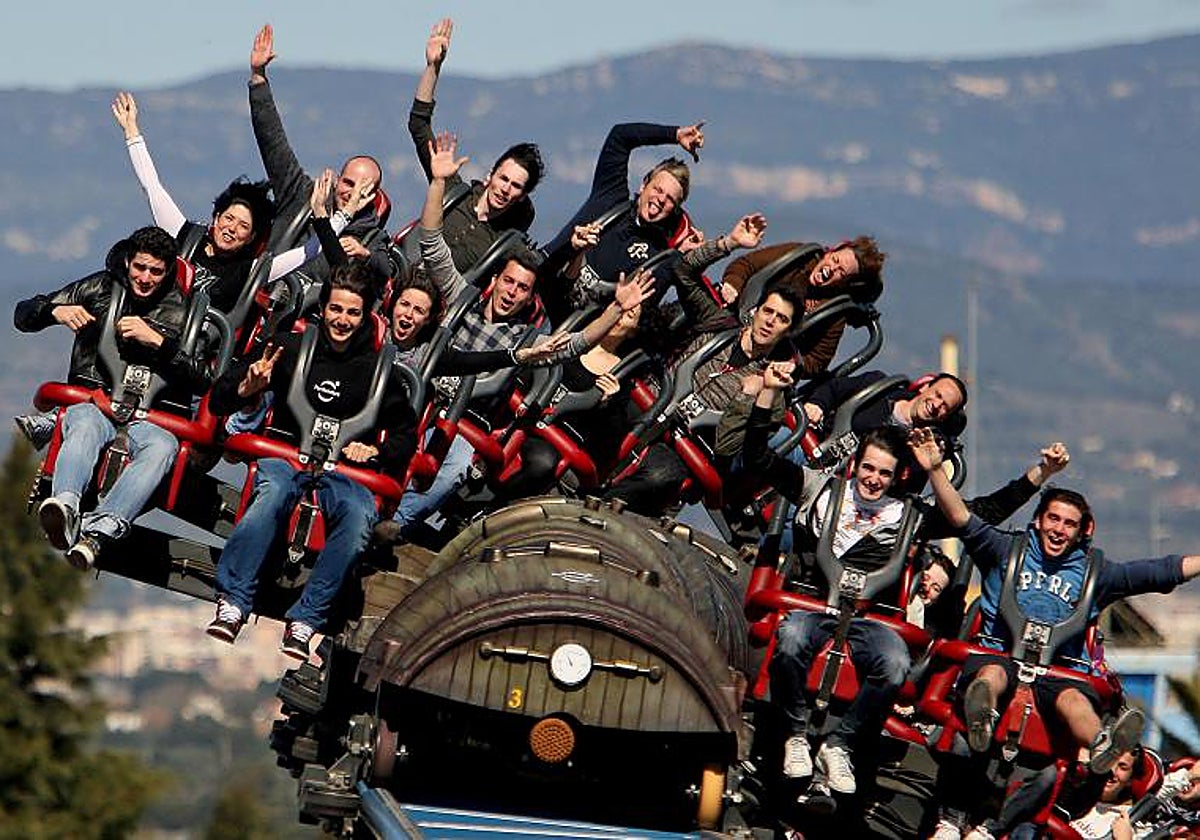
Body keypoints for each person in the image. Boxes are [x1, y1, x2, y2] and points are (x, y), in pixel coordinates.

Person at [385, 134, 654, 540]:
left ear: (530, 295)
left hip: (464, 419)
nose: (512, 292)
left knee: (456, 466)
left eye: (522, 288)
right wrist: (438, 184)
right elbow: (432, 242)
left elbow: (576, 343)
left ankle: (395, 524)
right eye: (508, 282)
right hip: (421, 395)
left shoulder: (525, 339)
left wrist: (616, 309)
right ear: (496, 281)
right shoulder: (463, 298)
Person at [918, 431, 1200, 783]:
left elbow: (1158, 571)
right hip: (1000, 654)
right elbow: (961, 517)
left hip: (1058, 671)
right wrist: (934, 470)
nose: (1059, 530)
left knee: (1074, 701)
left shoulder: (1096, 574)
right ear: (1038, 521)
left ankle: (1101, 744)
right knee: (991, 676)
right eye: (1053, 519)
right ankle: (982, 716)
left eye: (1069, 524)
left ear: (1081, 532)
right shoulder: (1005, 550)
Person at [205, 264, 417, 661]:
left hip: (342, 472)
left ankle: (307, 618)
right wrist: (248, 387)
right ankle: (234, 600)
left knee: (357, 519)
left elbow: (406, 436)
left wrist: (375, 452)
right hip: (287, 457)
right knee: (272, 496)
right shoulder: (289, 348)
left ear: (365, 316)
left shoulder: (378, 372)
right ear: (323, 309)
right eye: (336, 310)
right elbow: (220, 397)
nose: (343, 320)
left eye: (353, 313)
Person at [16, 226, 214, 569]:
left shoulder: (182, 314)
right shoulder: (101, 287)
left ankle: (103, 528)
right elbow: (24, 314)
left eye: (156, 271)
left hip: (151, 419)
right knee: (83, 424)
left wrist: (160, 343)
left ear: (168, 273)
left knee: (162, 448)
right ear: (128, 262)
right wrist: (53, 311)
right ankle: (65, 507)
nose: (145, 278)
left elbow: (203, 378)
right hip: (97, 403)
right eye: (140, 267)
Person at [247, 24, 392, 283]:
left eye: (363, 188)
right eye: (348, 182)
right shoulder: (300, 194)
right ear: (337, 179)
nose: (352, 192)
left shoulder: (371, 236)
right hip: (259, 293)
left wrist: (365, 255)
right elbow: (273, 142)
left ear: (372, 196)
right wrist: (259, 78)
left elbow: (387, 270)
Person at [407, 18, 543, 272]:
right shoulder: (454, 192)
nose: (505, 189)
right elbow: (418, 124)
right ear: (491, 175)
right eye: (504, 179)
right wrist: (432, 68)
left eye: (515, 186)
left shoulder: (506, 244)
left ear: (522, 195)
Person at [540, 116, 705, 317]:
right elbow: (620, 136)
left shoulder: (657, 256)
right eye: (658, 189)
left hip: (573, 330)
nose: (661, 199)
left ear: (675, 209)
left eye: (670, 199)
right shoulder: (610, 197)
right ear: (644, 184)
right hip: (537, 288)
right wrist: (675, 134)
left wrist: (691, 259)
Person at [717, 237, 887, 377]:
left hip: (763, 365)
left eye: (841, 272)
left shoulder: (832, 312)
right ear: (830, 253)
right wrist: (732, 285)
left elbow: (817, 361)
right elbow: (746, 265)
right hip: (732, 326)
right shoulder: (798, 257)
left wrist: (791, 363)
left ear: (845, 283)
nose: (832, 269)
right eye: (835, 260)